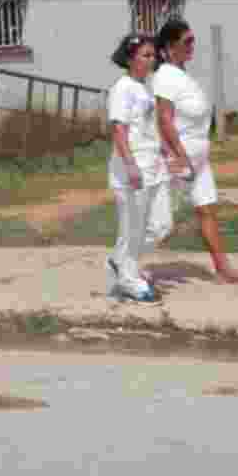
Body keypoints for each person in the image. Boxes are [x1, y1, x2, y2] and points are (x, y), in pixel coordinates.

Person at [153, 19, 238, 284]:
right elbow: (164, 120)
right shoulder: (165, 76)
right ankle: (123, 266)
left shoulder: (182, 76)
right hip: (179, 159)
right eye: (186, 41)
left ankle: (223, 270)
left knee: (207, 209)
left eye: (193, 40)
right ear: (169, 46)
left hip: (198, 159)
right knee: (158, 223)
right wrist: (178, 154)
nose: (191, 46)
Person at [105, 35, 171, 302]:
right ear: (130, 58)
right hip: (132, 169)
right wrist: (130, 165)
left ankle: (121, 261)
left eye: (153, 55)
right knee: (133, 228)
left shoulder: (145, 87)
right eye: (145, 55)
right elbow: (119, 128)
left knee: (161, 225)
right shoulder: (122, 88)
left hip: (154, 166)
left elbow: (146, 125)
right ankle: (129, 280)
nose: (151, 59)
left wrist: (163, 148)